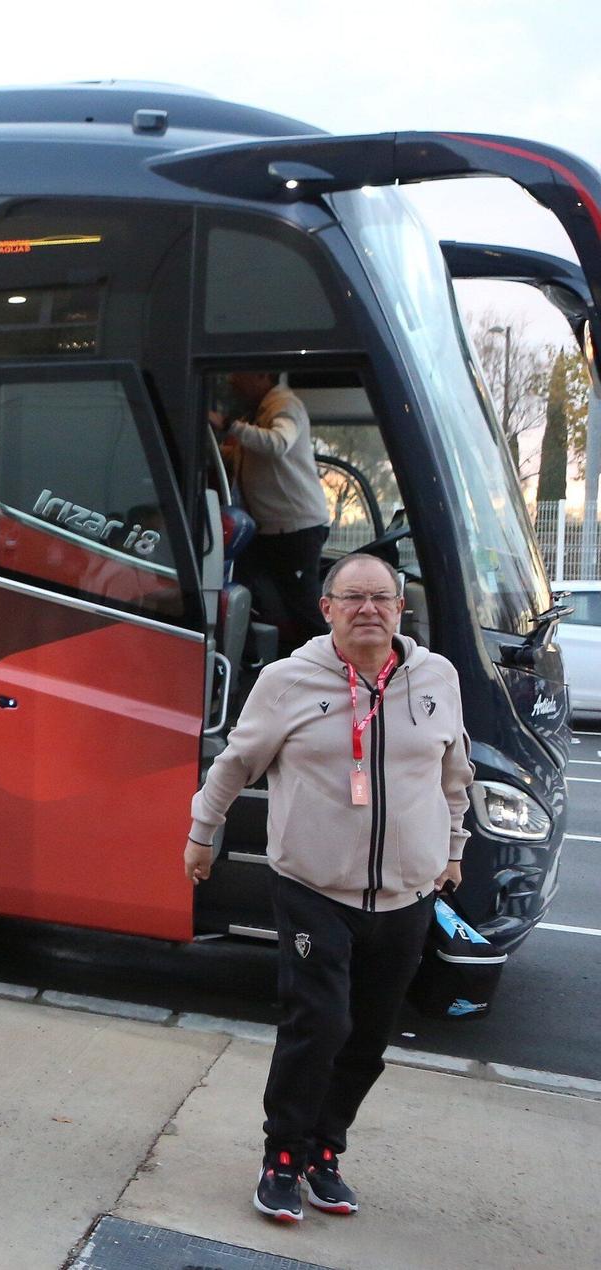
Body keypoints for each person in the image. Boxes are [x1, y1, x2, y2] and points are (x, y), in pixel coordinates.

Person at [185, 552, 470, 1224]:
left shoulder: (437, 679)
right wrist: (203, 833)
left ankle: (324, 1151)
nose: (368, 608)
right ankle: (282, 1156)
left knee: (368, 1035)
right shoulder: (289, 681)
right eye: (353, 597)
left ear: (402, 609)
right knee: (320, 1023)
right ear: (328, 609)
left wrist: (453, 849)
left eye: (381, 597)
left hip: (407, 895)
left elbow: (453, 773)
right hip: (314, 887)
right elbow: (234, 764)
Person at [212, 370, 333, 650]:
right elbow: (251, 456)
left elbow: (278, 444)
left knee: (302, 605)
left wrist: (230, 425)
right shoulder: (258, 411)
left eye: (240, 374)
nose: (232, 380)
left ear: (262, 375)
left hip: (294, 527)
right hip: (268, 527)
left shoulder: (285, 405)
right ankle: (248, 654)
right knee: (241, 588)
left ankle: (330, 667)